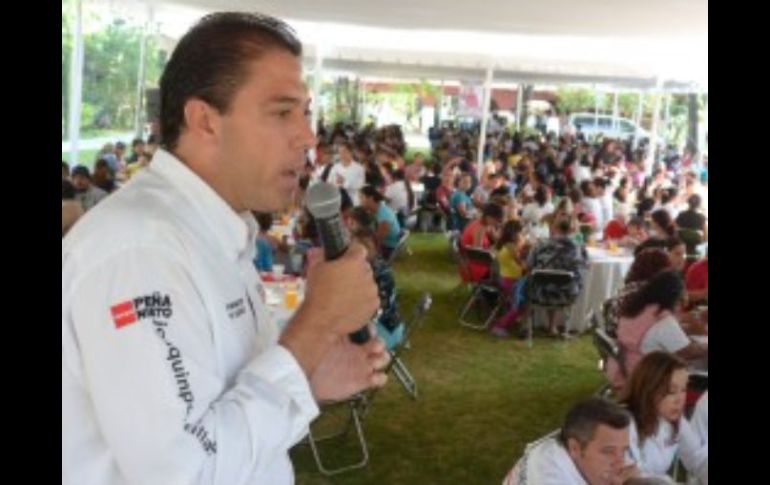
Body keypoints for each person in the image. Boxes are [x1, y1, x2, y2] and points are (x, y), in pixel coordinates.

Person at [62, 13, 389, 485]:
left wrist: (303, 381)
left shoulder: (213, 233)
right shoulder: (140, 254)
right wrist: (315, 327)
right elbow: (186, 473)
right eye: (282, 112)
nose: (308, 137)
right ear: (204, 121)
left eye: (306, 112)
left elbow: (217, 424)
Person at [502, 397, 636, 485]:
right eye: (608, 451)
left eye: (623, 450)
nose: (621, 463)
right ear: (575, 448)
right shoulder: (548, 478)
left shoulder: (577, 435)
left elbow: (634, 470)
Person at [619, 352, 706, 481]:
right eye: (671, 391)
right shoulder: (624, 424)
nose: (680, 399)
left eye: (683, 389)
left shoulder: (674, 421)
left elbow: (696, 457)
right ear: (649, 389)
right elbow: (629, 478)